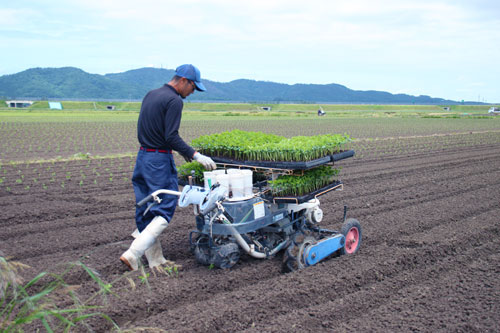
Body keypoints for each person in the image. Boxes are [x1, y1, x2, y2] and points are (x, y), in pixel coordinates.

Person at [120, 64, 216, 271]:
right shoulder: (174, 101)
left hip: (143, 157)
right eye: (193, 88)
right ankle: (133, 253)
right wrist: (195, 155)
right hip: (159, 161)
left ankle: (156, 260)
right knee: (165, 206)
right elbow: (170, 136)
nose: (192, 93)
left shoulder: (151, 94)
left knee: (146, 208)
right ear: (184, 81)